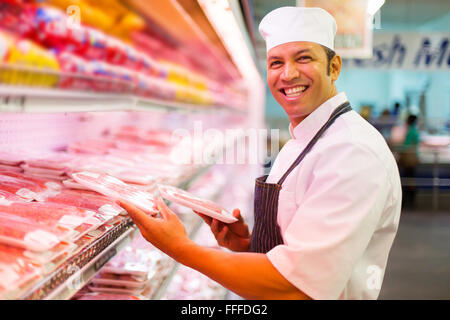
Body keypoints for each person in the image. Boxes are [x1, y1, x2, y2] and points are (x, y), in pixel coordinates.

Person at [118, 7, 402, 300]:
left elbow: (296, 288)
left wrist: (181, 248)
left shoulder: (352, 153)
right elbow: (301, 250)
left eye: (304, 58)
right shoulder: (307, 139)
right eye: (276, 62)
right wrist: (248, 247)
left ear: (334, 67)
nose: (288, 74)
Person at [398, 114, 420, 208]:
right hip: (413, 158)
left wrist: (398, 149)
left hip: (408, 160)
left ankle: (407, 202)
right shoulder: (415, 131)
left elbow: (406, 146)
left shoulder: (410, 131)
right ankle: (411, 201)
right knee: (411, 179)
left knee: (407, 180)